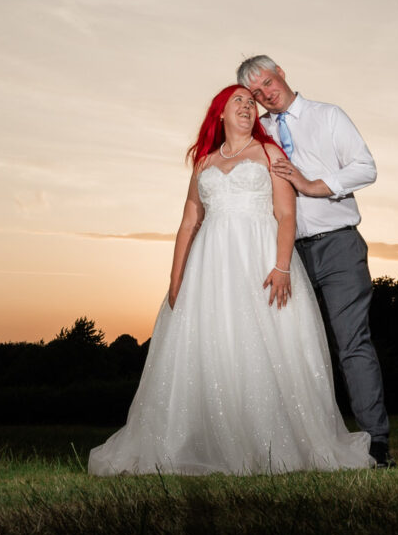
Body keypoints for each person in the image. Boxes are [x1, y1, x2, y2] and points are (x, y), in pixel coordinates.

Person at [88, 84, 375, 476]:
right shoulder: (203, 164)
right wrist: (176, 281)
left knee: (267, 343)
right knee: (215, 344)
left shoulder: (270, 153)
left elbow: (286, 215)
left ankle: (275, 442)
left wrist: (282, 266)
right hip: (210, 265)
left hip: (259, 259)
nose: (246, 106)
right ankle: (212, 443)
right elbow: (189, 221)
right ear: (219, 113)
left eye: (250, 102)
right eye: (236, 100)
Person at [237, 55, 393, 468]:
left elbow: (366, 167)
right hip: (286, 254)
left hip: (338, 245)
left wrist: (311, 185)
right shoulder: (259, 132)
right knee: (290, 349)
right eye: (256, 93)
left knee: (351, 343)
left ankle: (376, 443)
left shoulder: (328, 116)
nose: (265, 95)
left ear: (281, 73)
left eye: (268, 83)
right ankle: (300, 445)